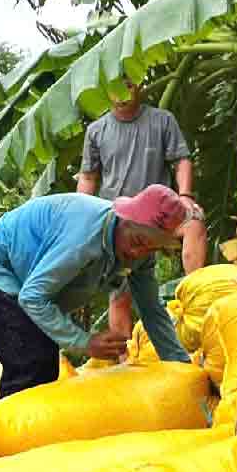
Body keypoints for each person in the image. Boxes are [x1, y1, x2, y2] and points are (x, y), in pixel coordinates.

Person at [0, 185, 195, 398]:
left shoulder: (141, 255)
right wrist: (85, 342)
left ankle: (30, 432)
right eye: (137, 241)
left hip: (31, 284)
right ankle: (8, 435)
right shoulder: (84, 238)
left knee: (44, 363)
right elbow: (32, 297)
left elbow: (152, 311)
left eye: (150, 248)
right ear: (124, 219)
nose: (138, 252)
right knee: (31, 361)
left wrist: (182, 367)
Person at [76, 82, 207, 339]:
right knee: (120, 291)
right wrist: (80, 215)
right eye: (115, 86)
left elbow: (181, 160)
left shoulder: (162, 121)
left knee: (195, 222)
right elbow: (89, 177)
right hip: (119, 222)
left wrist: (185, 196)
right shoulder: (96, 130)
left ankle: (199, 299)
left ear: (139, 84)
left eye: (128, 84)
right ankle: (124, 357)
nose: (122, 93)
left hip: (161, 216)